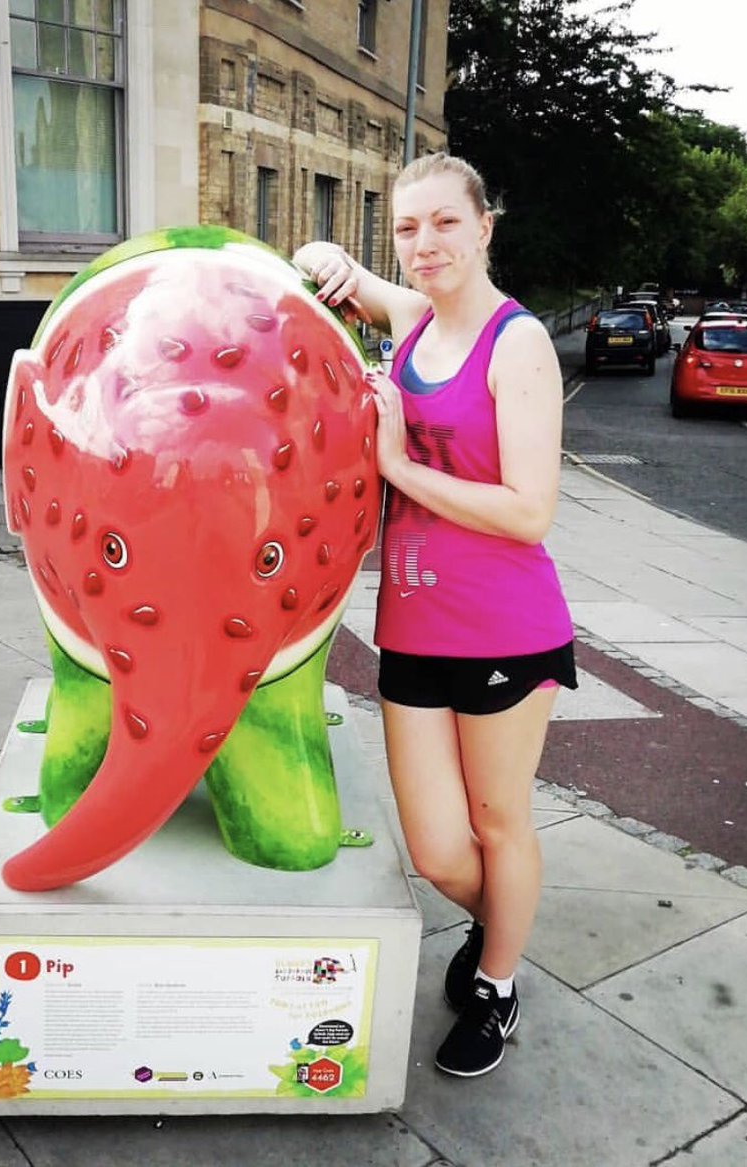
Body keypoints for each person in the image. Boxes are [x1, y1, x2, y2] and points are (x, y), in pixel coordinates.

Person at [293, 152, 577, 1078]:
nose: (425, 244)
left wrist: (400, 468)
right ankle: (506, 923)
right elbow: (339, 272)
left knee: (499, 825)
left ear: (485, 226)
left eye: (445, 223)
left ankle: (497, 984)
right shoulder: (414, 320)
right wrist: (322, 251)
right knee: (433, 845)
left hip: (506, 626)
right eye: (408, 227)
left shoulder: (516, 340)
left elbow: (530, 509)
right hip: (411, 623)